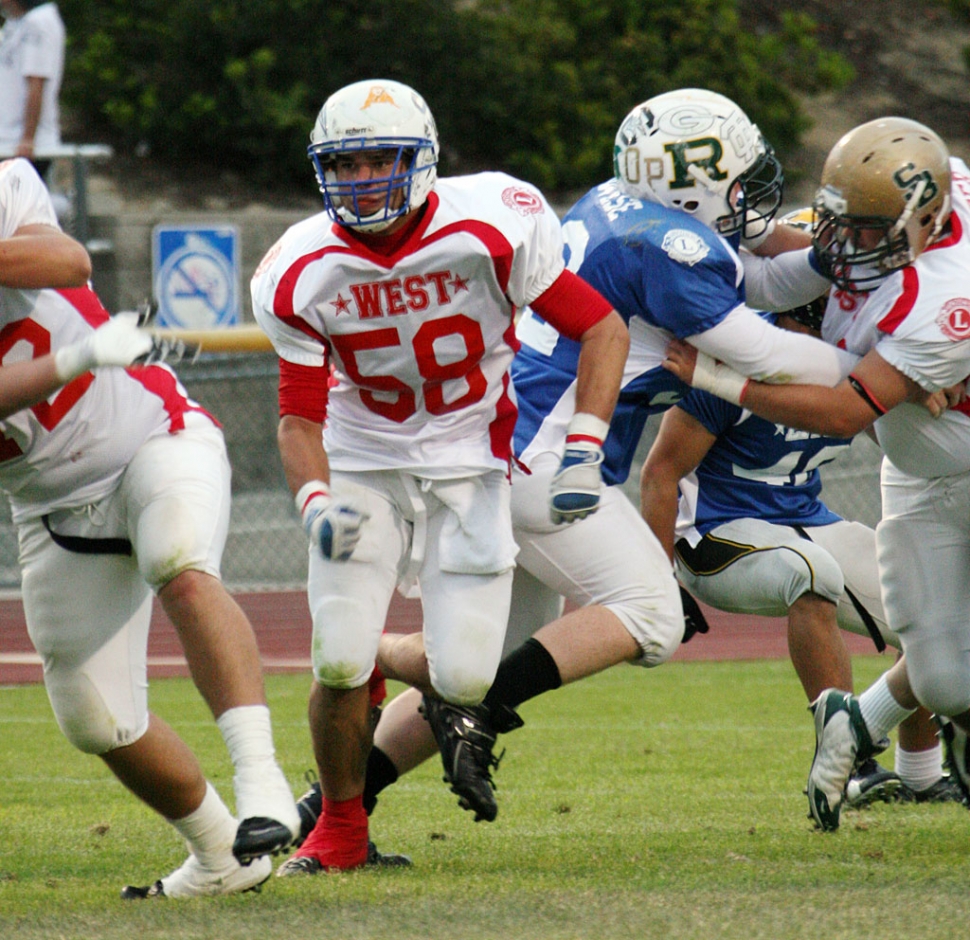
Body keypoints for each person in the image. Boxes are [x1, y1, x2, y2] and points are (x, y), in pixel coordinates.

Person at [292, 87, 875, 835]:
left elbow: (758, 281)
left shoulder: (619, 205)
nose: (748, 195)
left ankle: (325, 806)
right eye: (736, 178)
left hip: (508, 446)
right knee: (651, 615)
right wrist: (877, 365)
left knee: (478, 665)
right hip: (547, 459)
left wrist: (831, 263)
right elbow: (767, 352)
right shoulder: (667, 246)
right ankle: (375, 661)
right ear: (688, 183)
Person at [250, 78, 629, 875]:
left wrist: (585, 449)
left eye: (380, 158)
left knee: (464, 675)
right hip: (363, 461)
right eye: (345, 165)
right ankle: (342, 830)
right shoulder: (298, 267)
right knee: (336, 657)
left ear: (422, 158)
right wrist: (315, 498)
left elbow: (601, 328)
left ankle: (379, 664)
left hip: (469, 465)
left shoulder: (494, 222)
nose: (363, 180)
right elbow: (298, 416)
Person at [0, 156, 301, 897]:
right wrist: (74, 356)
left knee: (179, 563)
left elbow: (64, 257)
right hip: (51, 505)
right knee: (95, 720)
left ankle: (263, 782)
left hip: (150, 438)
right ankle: (222, 858)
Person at [661, 116, 970, 830]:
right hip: (919, 476)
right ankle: (860, 733)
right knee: (945, 677)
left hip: (906, 463)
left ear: (926, 221)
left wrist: (724, 378)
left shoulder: (940, 299)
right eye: (841, 224)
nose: (840, 251)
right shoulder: (918, 193)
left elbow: (840, 413)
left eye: (864, 233)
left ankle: (886, 750)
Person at [639, 292, 959, 809]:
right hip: (715, 529)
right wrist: (656, 586)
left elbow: (902, 441)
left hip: (805, 519)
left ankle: (920, 775)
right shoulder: (735, 363)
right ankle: (847, 758)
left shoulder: (858, 364)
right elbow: (660, 473)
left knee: (919, 603)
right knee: (810, 573)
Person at [0, 0, 64, 181]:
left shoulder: (39, 21)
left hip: (22, 146)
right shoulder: (17, 22)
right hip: (7, 141)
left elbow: (36, 80)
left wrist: (28, 138)